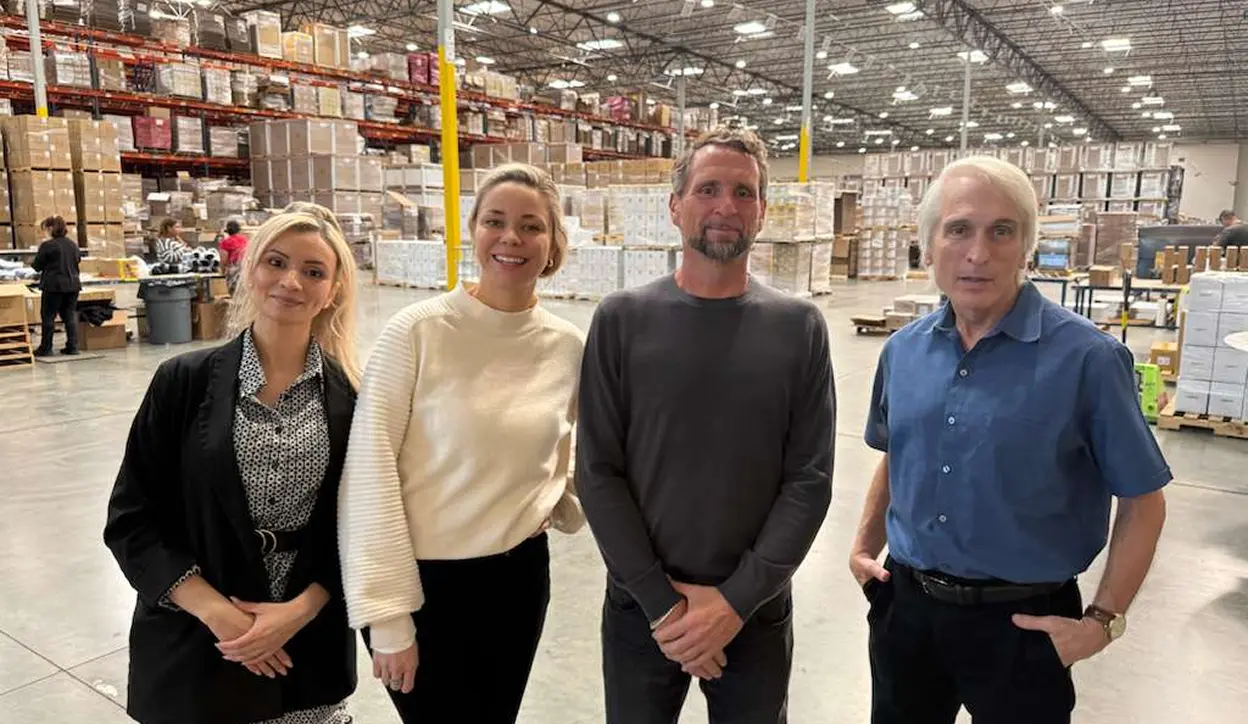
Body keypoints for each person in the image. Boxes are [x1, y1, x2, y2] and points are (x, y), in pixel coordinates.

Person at [850, 156, 1170, 724]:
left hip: (1024, 624)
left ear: (1027, 246)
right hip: (908, 611)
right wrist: (862, 547)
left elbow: (1144, 500)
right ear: (928, 248)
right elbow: (897, 453)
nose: (978, 253)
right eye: (959, 230)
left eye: (1002, 231)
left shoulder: (1088, 360)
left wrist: (1102, 622)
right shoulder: (903, 351)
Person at [576, 127, 835, 724]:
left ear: (763, 212)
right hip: (643, 609)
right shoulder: (621, 320)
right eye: (708, 189)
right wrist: (664, 607)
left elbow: (809, 480)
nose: (726, 206)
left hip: (754, 611)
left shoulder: (799, 328)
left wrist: (734, 604)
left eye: (744, 193)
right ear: (676, 206)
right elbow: (597, 472)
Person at [338, 163, 585, 724]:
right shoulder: (417, 331)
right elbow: (368, 472)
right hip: (425, 589)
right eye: (495, 221)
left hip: (518, 581)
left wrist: (558, 502)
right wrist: (389, 615)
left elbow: (576, 445)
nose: (511, 238)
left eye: (531, 226)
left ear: (552, 244)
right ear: (473, 230)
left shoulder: (566, 346)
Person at [103, 204, 363, 724]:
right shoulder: (183, 382)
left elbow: (362, 527)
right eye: (276, 262)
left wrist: (303, 609)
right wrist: (219, 614)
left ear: (331, 291)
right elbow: (132, 519)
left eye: (313, 271)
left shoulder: (354, 400)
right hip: (196, 643)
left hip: (303, 649)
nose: (291, 281)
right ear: (250, 269)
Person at [30, 215, 81, 357]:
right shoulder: (73, 245)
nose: (45, 232)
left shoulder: (48, 246)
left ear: (51, 228)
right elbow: (77, 260)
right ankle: (73, 347)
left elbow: (36, 266)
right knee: (69, 316)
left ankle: (46, 348)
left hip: (54, 286)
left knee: (48, 316)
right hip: (73, 286)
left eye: (45, 229)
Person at [219, 219, 250, 292]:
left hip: (234, 270)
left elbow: (224, 259)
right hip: (246, 268)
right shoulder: (245, 240)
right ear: (238, 230)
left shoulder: (226, 242)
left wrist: (222, 271)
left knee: (234, 293)